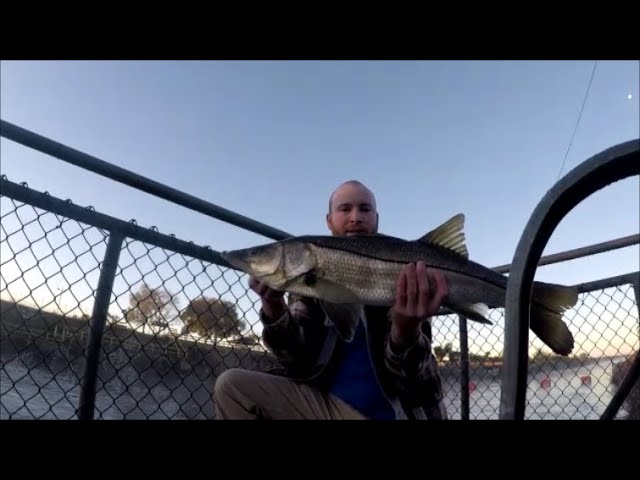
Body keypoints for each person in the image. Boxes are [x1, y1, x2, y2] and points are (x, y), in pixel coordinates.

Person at [213, 180, 449, 420]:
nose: (355, 217)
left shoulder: (411, 276)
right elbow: (296, 360)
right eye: (345, 209)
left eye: (365, 209)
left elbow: (415, 375)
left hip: (400, 413)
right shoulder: (304, 284)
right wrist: (274, 307)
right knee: (231, 386)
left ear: (377, 219)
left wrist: (405, 330)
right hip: (326, 409)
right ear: (329, 220)